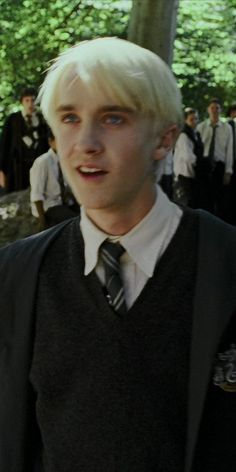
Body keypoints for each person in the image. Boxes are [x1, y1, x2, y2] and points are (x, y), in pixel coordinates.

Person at [1, 38, 236, 472]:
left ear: (164, 139)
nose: (86, 143)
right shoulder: (17, 274)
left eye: (113, 118)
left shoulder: (226, 263)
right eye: (70, 118)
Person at [30, 129, 80, 231]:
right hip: (49, 206)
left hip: (64, 202)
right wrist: (42, 220)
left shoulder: (66, 159)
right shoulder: (42, 162)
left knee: (89, 217)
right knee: (75, 222)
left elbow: (68, 185)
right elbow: (36, 194)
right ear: (50, 141)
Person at [0, 87, 48, 192]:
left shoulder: (42, 120)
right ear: (22, 101)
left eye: (33, 100)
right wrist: (1, 170)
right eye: (27, 100)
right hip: (17, 169)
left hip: (38, 168)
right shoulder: (12, 119)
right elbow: (4, 145)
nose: (30, 103)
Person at [197, 98, 233, 217]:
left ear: (220, 110)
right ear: (208, 110)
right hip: (205, 165)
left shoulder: (226, 127)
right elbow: (197, 149)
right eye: (212, 108)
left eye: (217, 108)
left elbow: (229, 149)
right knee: (205, 196)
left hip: (219, 165)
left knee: (220, 196)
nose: (214, 110)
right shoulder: (201, 127)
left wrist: (228, 171)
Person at [173, 107, 203, 207]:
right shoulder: (184, 135)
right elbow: (188, 157)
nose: (194, 121)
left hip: (191, 175)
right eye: (191, 119)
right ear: (186, 120)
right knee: (185, 204)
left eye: (196, 119)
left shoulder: (196, 134)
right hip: (184, 175)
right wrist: (199, 164)